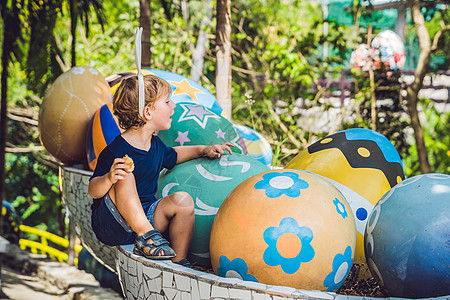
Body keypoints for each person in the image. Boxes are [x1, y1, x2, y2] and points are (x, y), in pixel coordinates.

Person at [88, 75, 233, 267]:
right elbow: (93, 190)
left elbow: (173, 155)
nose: (173, 106)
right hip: (114, 224)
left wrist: (202, 149)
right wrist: (109, 178)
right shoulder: (116, 151)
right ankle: (145, 235)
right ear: (147, 112)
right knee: (124, 176)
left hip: (148, 220)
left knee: (183, 201)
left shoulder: (155, 144)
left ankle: (179, 261)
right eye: (167, 101)